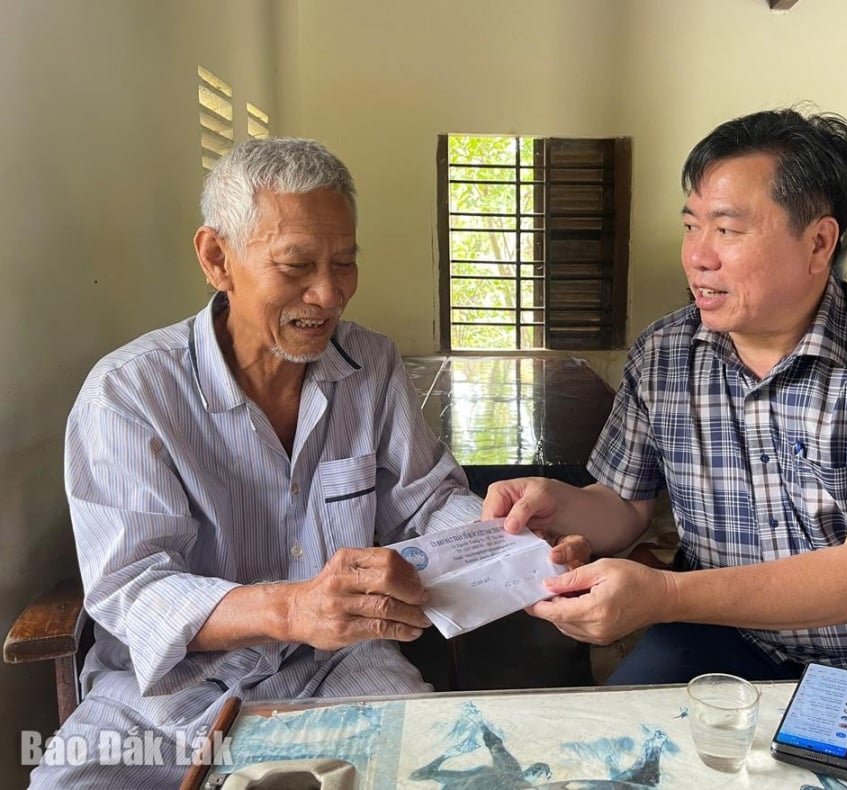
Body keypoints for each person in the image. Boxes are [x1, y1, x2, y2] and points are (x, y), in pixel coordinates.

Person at [482, 108, 847, 789]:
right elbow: (620, 506)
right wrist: (554, 504)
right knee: (619, 770)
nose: (697, 255)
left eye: (728, 229)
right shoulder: (666, 352)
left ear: (819, 241)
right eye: (691, 224)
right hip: (719, 646)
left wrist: (663, 595)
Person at [32, 137, 583, 788]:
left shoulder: (368, 365)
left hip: (344, 667)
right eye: (296, 266)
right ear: (217, 257)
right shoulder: (130, 393)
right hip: (161, 697)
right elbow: (132, 588)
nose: (328, 295)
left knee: (447, 771)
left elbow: (427, 499)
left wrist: (511, 548)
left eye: (344, 263)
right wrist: (290, 609)